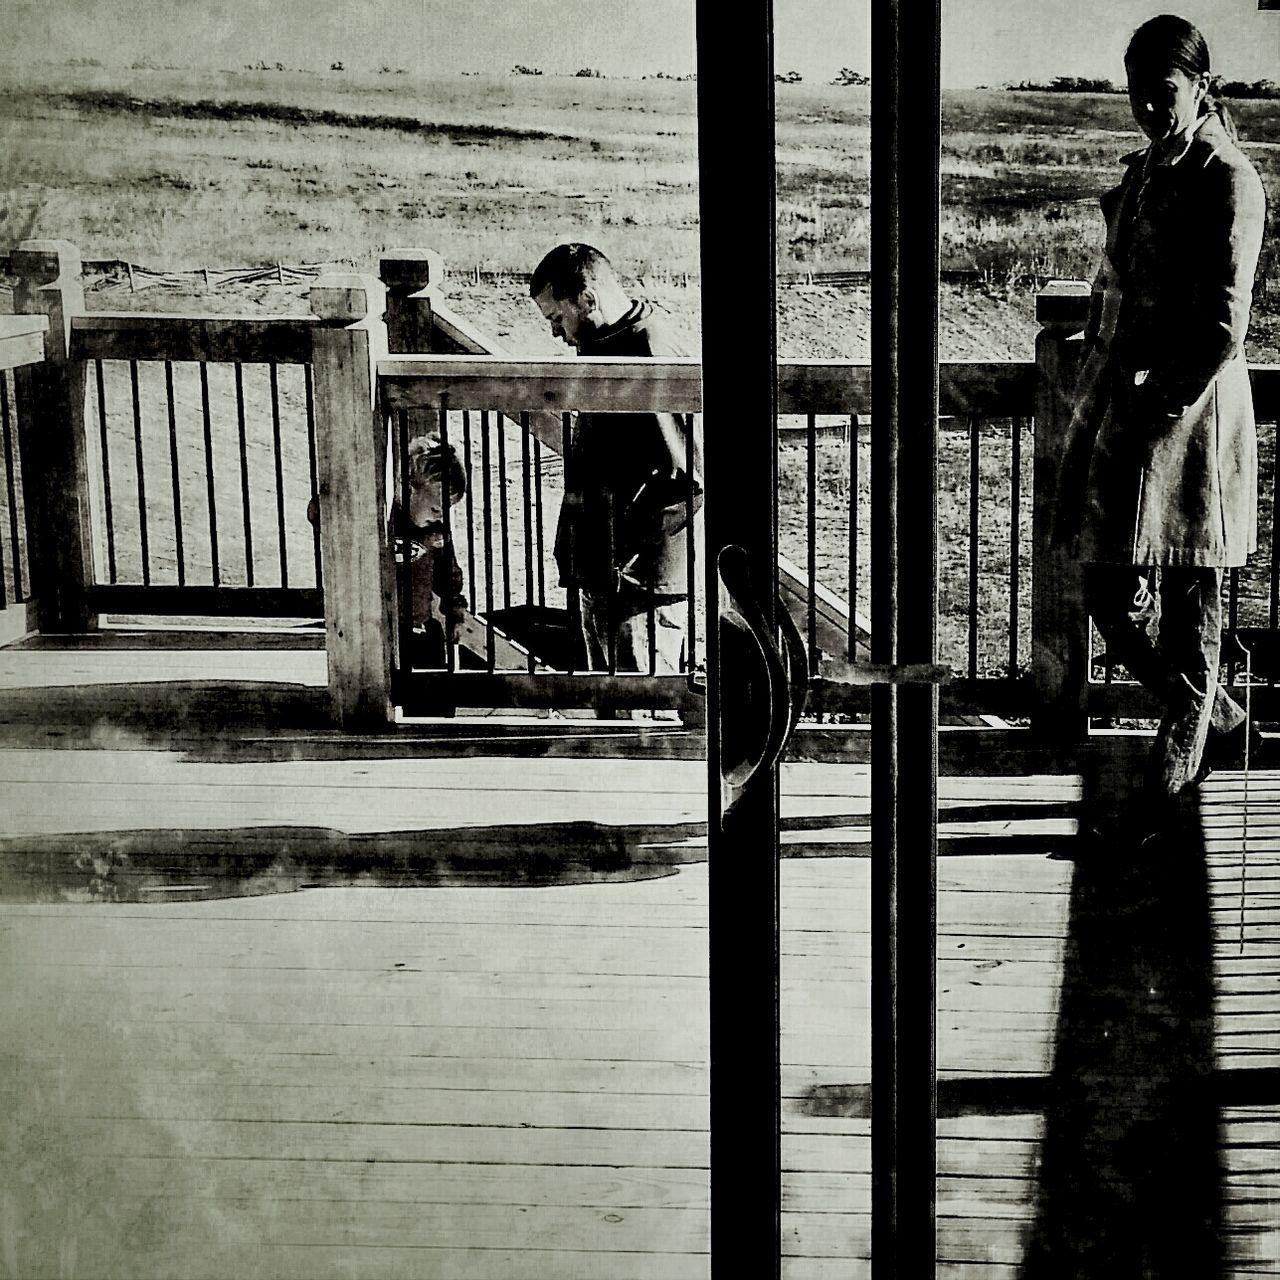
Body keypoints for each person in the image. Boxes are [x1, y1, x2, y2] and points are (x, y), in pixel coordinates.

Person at [1057, 14, 1267, 805]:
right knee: (1107, 593)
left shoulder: (1227, 177)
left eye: (1164, 92)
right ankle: (1215, 715)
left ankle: (1171, 790)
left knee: (1192, 606)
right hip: (1129, 414)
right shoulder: (1148, 168)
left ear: (1201, 85)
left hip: (1195, 421)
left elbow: (1222, 325)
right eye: (1138, 92)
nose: (1148, 107)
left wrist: (1155, 401)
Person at [530, 242, 702, 676]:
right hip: (604, 569)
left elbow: (686, 473)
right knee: (610, 707)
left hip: (637, 579)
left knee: (640, 710)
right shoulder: (603, 343)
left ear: (587, 300)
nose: (555, 332)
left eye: (557, 318)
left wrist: (623, 558)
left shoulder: (648, 348)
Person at [307, 435, 468, 668]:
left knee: (435, 687)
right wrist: (336, 497)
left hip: (418, 627)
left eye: (447, 510)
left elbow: (448, 574)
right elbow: (318, 514)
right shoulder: (383, 518)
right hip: (373, 627)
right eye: (435, 508)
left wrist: (455, 611)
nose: (441, 516)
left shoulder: (436, 533)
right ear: (410, 489)